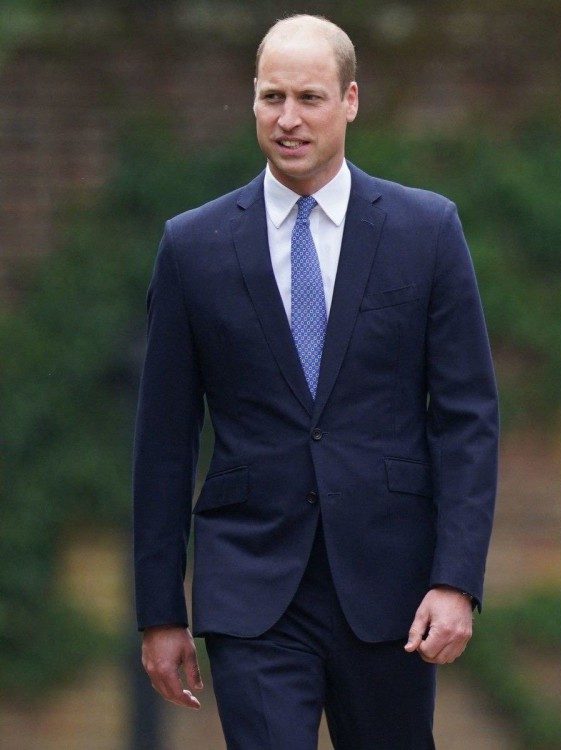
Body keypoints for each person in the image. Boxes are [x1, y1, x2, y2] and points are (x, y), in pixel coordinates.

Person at [133, 14, 499, 748]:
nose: (289, 119)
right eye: (272, 98)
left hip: (389, 586)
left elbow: (466, 419)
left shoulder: (426, 231)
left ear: (351, 100)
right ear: (254, 102)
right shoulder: (193, 246)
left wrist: (456, 580)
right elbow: (164, 440)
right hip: (251, 585)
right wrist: (159, 611)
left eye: (309, 98)